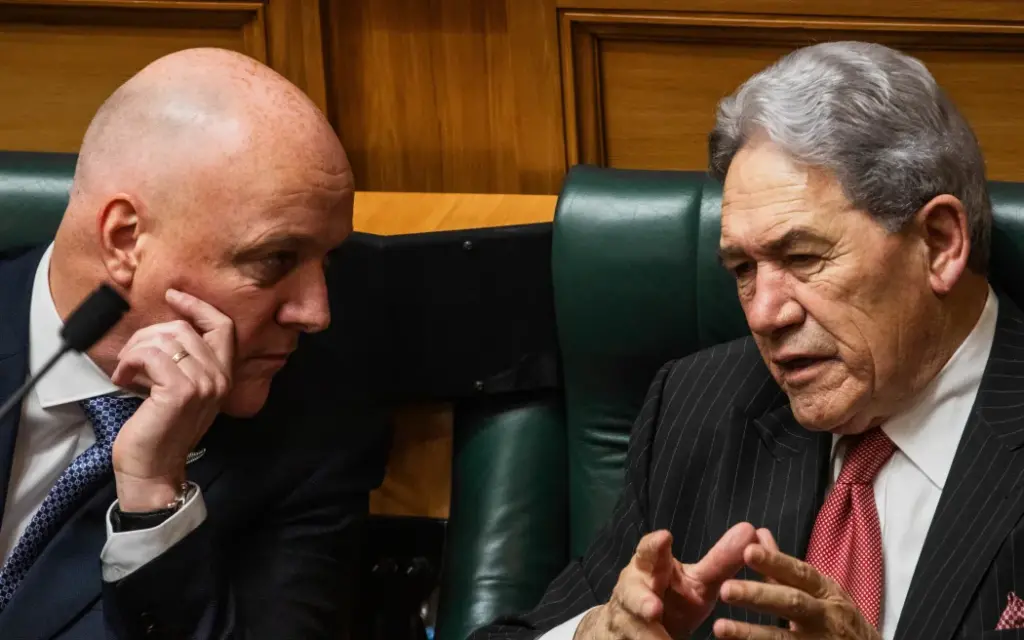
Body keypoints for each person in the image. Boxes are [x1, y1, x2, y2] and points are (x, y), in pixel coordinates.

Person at [472, 40, 1024, 640]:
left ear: (939, 244)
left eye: (803, 256)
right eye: (742, 270)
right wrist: (596, 634)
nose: (763, 313)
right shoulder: (697, 407)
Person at [0, 48, 388, 638]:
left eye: (326, 260)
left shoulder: (314, 436)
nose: (316, 312)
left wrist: (156, 496)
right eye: (276, 260)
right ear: (125, 239)